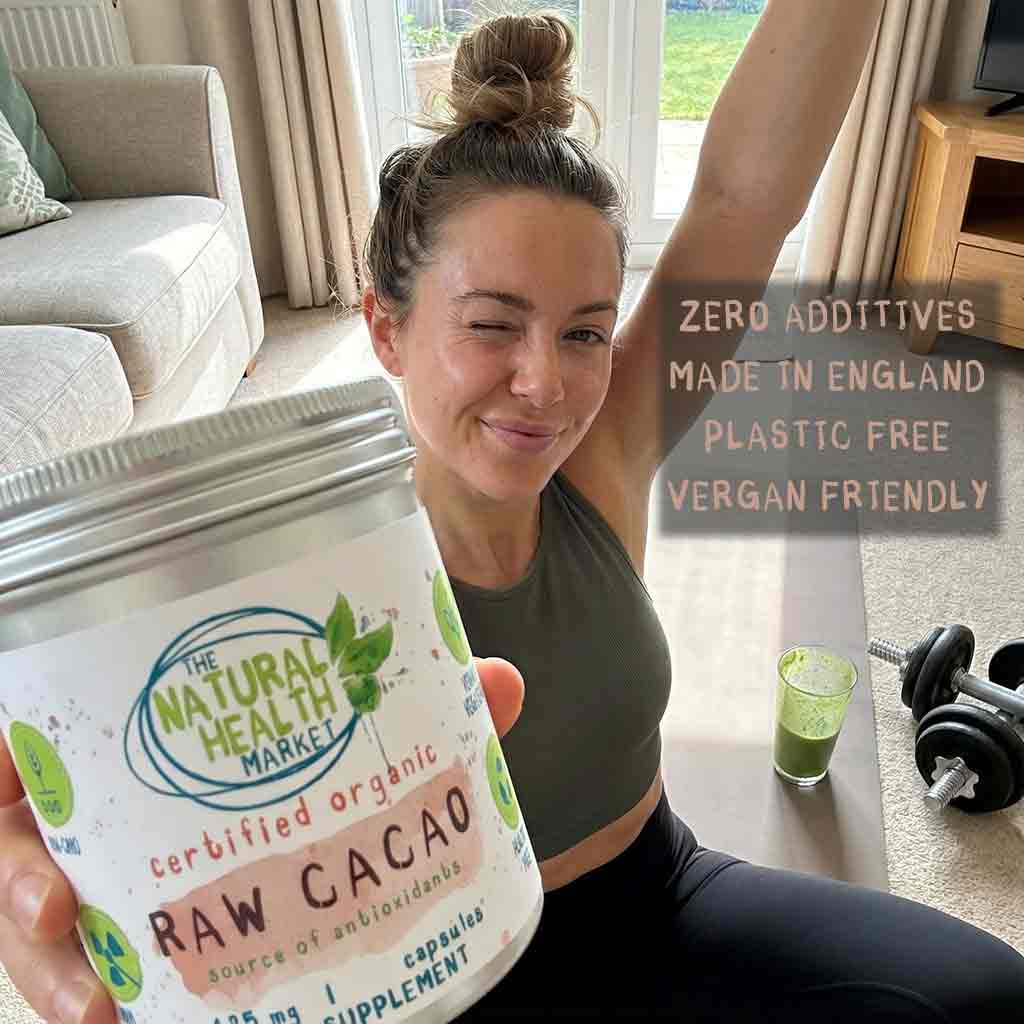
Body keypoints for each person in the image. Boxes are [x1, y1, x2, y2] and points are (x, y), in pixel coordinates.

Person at [3, 5, 1024, 1022]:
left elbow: (743, 199)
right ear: (384, 327)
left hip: (659, 897)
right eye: (492, 324)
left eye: (585, 332)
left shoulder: (603, 458)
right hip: (450, 977)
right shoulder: (304, 574)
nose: (547, 385)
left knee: (982, 998)